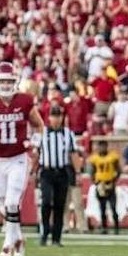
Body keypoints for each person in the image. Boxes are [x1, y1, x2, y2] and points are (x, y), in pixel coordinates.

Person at [0, 62, 43, 256]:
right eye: (3, 81)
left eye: (9, 81)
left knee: (11, 202)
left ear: (15, 81)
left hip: (18, 157)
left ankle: (7, 245)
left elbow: (39, 125)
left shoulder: (24, 101)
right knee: (4, 205)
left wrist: (34, 143)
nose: (6, 85)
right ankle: (18, 238)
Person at [36, 105, 78, 247]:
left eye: (59, 116)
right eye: (54, 116)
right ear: (49, 117)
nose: (56, 119)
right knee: (46, 202)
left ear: (62, 118)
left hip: (62, 172)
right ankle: (44, 233)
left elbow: (73, 154)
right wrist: (32, 171)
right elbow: (36, 153)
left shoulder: (68, 134)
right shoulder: (42, 133)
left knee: (60, 205)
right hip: (46, 172)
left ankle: (56, 238)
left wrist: (77, 173)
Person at [88, 139, 121, 234]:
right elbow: (92, 171)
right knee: (102, 208)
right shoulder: (94, 158)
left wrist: (113, 182)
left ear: (106, 146)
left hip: (109, 183)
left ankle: (116, 227)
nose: (102, 148)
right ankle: (104, 227)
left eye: (103, 146)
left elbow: (118, 170)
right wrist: (95, 183)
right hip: (100, 184)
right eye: (100, 146)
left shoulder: (112, 157)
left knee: (113, 207)